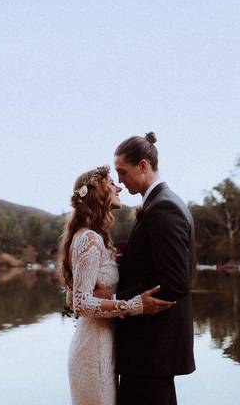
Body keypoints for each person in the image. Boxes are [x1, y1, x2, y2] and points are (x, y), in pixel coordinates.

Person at [60, 165, 174, 405]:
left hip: (104, 346)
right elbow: (80, 303)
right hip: (93, 352)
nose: (119, 186)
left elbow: (77, 296)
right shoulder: (89, 239)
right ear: (99, 192)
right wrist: (134, 305)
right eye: (112, 183)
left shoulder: (94, 236)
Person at [113, 132, 195, 405]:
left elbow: (174, 282)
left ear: (144, 166)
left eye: (122, 172)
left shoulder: (164, 208)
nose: (120, 181)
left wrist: (117, 302)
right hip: (151, 351)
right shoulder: (161, 202)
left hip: (151, 349)